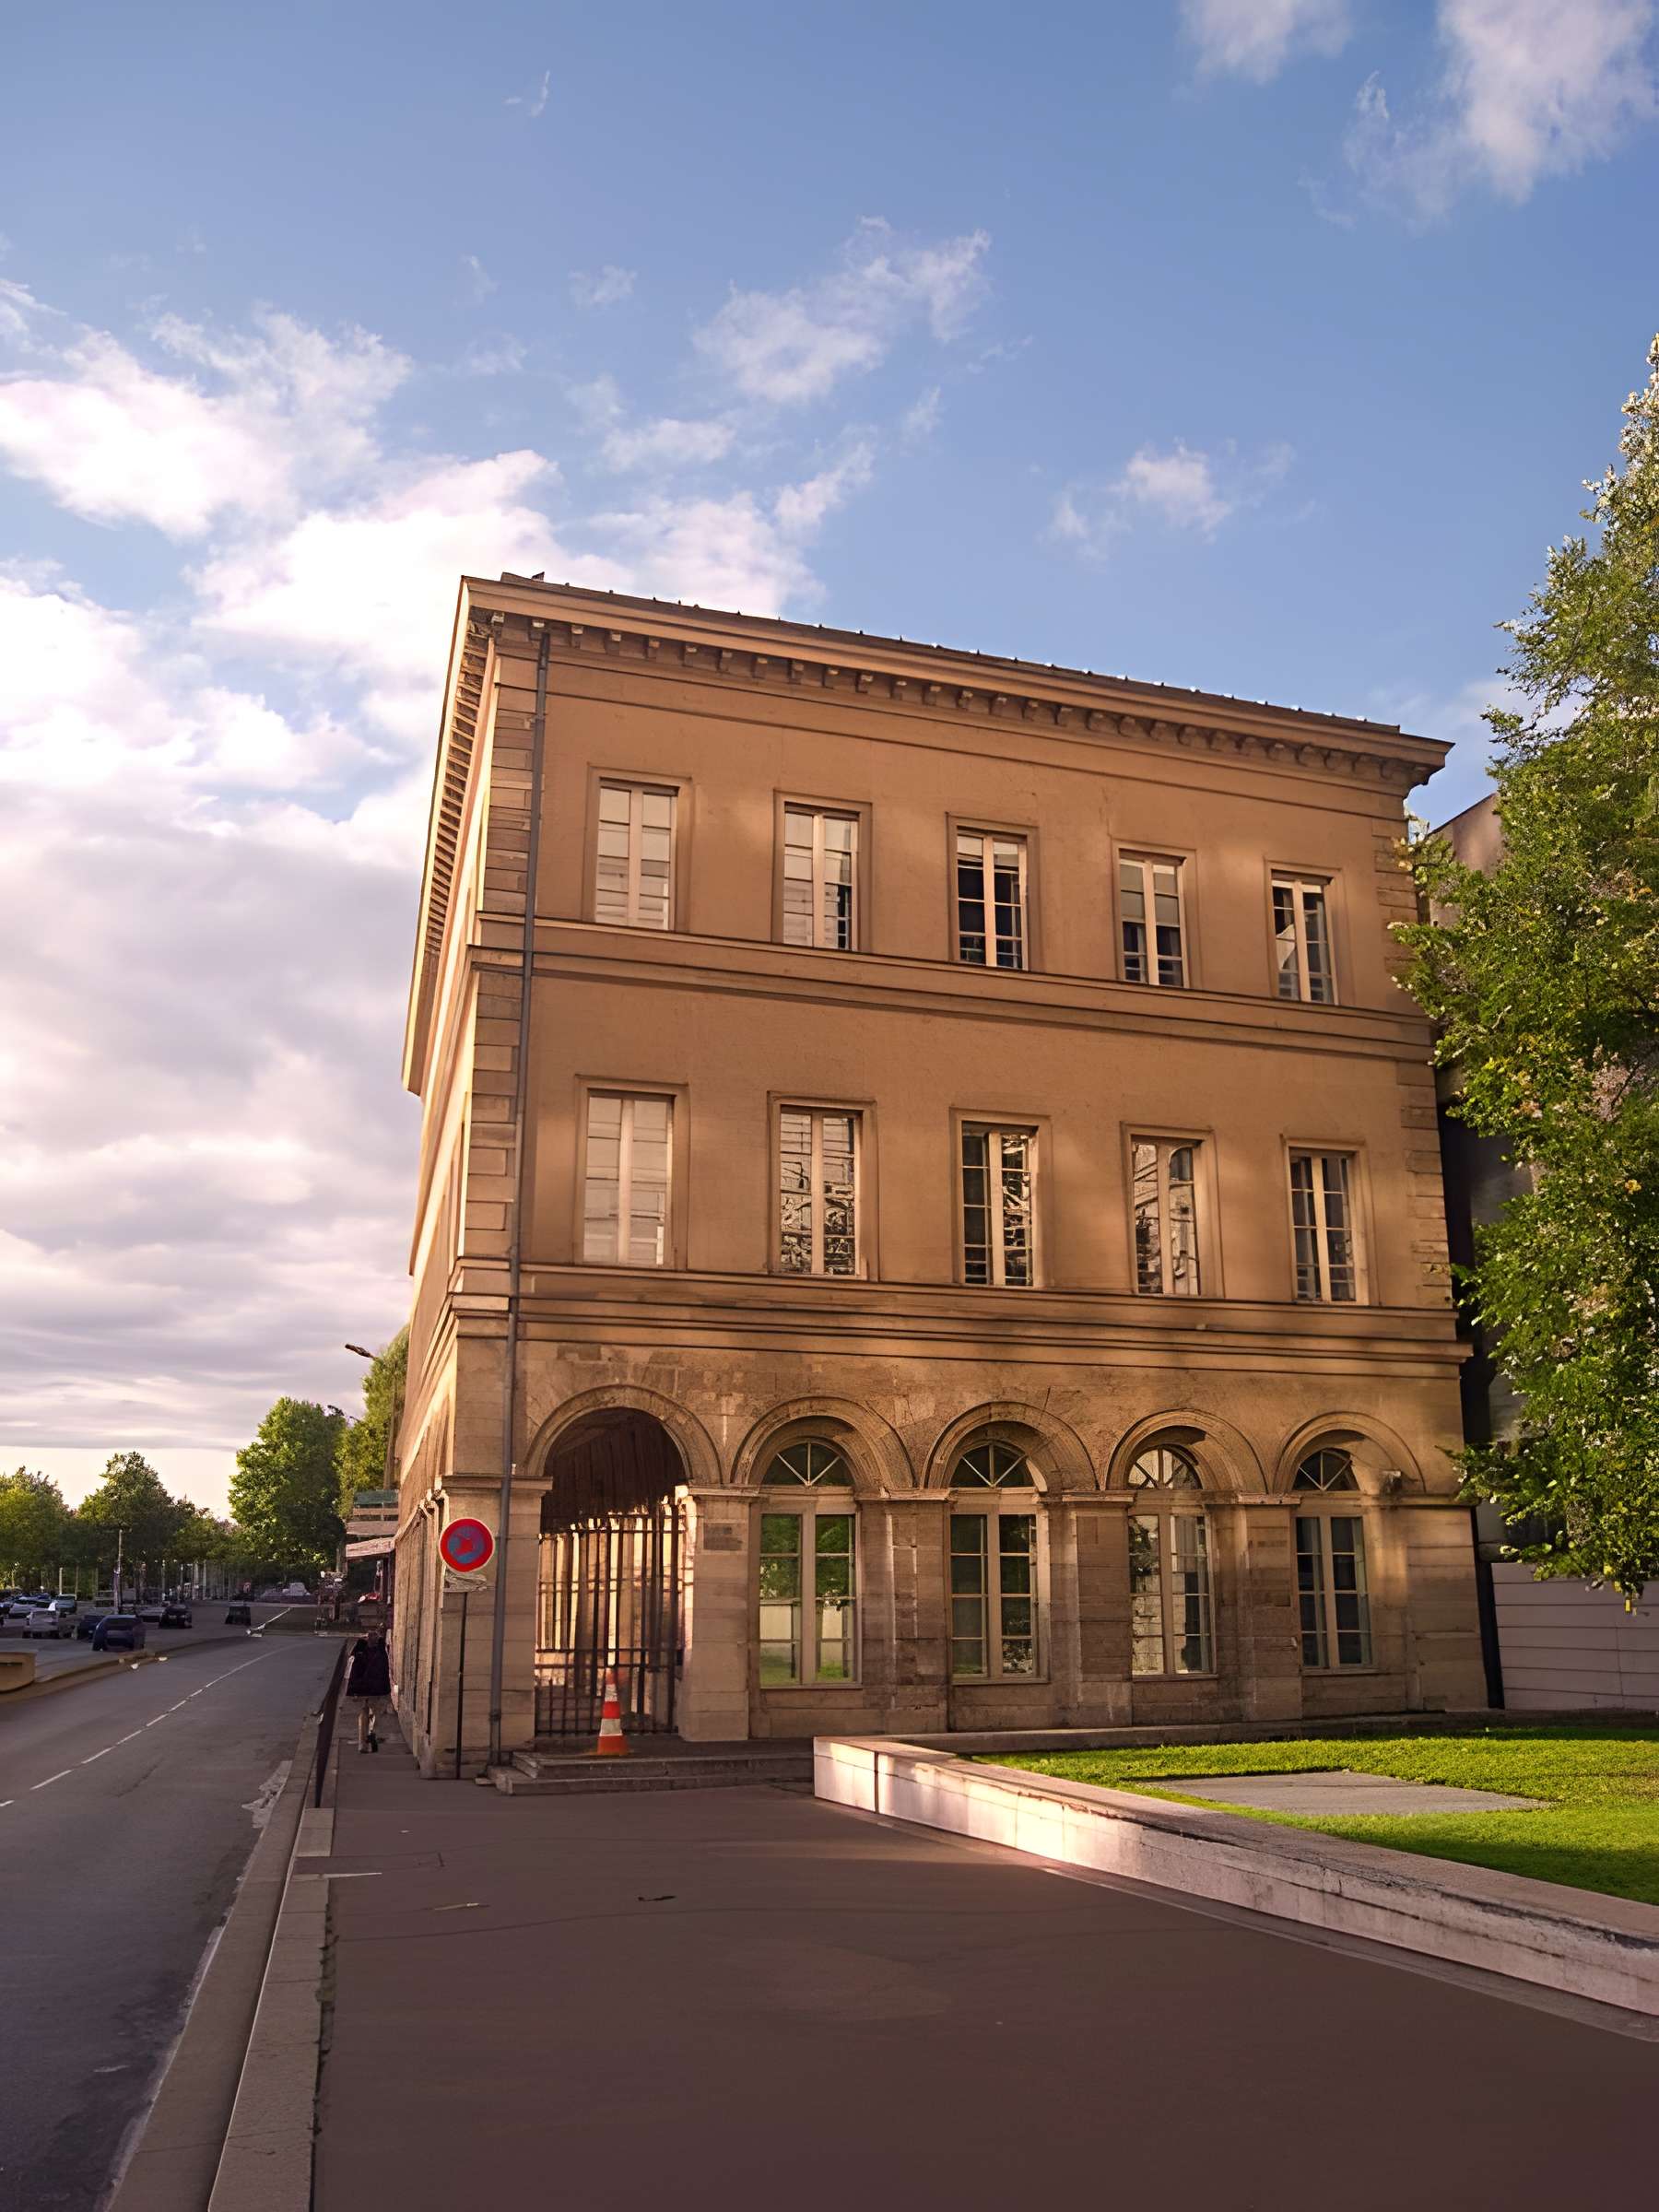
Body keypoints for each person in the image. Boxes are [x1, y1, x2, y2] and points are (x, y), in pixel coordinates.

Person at [346, 1625, 392, 1752]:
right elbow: (386, 1668)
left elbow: (352, 1668)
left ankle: (362, 1743)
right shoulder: (381, 1650)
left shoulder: (360, 1649)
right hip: (377, 1688)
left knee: (363, 1711)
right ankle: (372, 1732)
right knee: (376, 1711)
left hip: (362, 1687)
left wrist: (352, 1689)